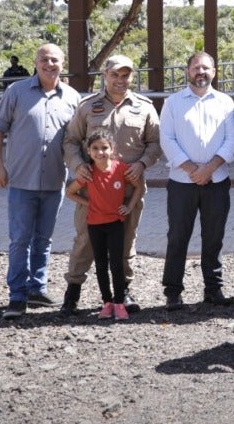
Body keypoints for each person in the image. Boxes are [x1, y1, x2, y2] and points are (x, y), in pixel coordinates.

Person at [59, 53, 162, 316]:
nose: (120, 80)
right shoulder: (87, 106)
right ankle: (73, 292)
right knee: (84, 240)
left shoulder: (145, 107)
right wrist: (78, 166)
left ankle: (122, 291)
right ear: (105, 75)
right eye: (115, 74)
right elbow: (71, 140)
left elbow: (155, 143)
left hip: (128, 191)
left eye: (125, 75)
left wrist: (141, 165)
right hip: (92, 188)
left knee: (127, 241)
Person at [0, 43, 81, 320]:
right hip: (21, 180)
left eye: (54, 60)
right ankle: (17, 296)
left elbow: (77, 140)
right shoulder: (16, 92)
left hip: (54, 181)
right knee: (20, 240)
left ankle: (37, 289)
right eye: (44, 59)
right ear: (35, 62)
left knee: (44, 239)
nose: (49, 64)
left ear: (62, 64)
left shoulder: (73, 97)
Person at [159, 52, 234, 310]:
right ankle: (173, 291)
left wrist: (210, 169)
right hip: (182, 181)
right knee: (178, 236)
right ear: (187, 71)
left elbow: (232, 139)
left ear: (214, 72)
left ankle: (213, 289)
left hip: (217, 180)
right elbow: (167, 140)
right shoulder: (173, 102)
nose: (200, 72)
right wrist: (193, 169)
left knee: (214, 236)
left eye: (206, 68)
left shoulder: (226, 102)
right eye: (196, 68)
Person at [64, 128, 144, 321]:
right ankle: (107, 303)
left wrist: (129, 206)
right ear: (89, 151)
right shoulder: (88, 173)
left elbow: (138, 187)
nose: (100, 152)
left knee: (116, 264)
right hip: (94, 225)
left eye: (104, 148)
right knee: (100, 265)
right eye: (95, 148)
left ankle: (119, 302)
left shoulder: (121, 168)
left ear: (112, 149)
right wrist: (89, 203)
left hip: (115, 223)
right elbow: (70, 192)